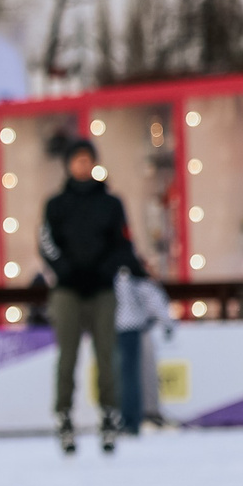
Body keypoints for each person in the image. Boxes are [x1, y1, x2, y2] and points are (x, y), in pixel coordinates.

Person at [38, 138, 131, 455]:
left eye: (86, 160)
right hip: (67, 289)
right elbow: (47, 244)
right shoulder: (56, 204)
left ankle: (109, 415)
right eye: (76, 160)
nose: (81, 166)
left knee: (107, 355)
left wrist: (104, 271)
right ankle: (64, 417)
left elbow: (122, 243)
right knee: (68, 356)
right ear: (68, 165)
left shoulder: (110, 203)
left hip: (102, 289)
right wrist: (66, 272)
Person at [114, 257, 175, 436]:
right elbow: (158, 305)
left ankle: (136, 414)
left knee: (128, 375)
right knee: (140, 374)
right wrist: (168, 324)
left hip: (122, 331)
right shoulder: (141, 283)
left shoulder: (117, 281)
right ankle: (144, 413)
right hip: (137, 330)